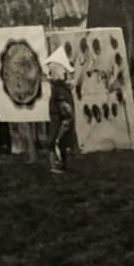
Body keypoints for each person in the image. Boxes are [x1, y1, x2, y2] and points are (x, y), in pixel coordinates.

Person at [46, 44, 76, 174]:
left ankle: (57, 166)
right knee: (59, 142)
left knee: (55, 141)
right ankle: (59, 165)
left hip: (59, 118)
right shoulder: (60, 88)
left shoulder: (59, 90)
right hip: (59, 117)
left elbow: (66, 110)